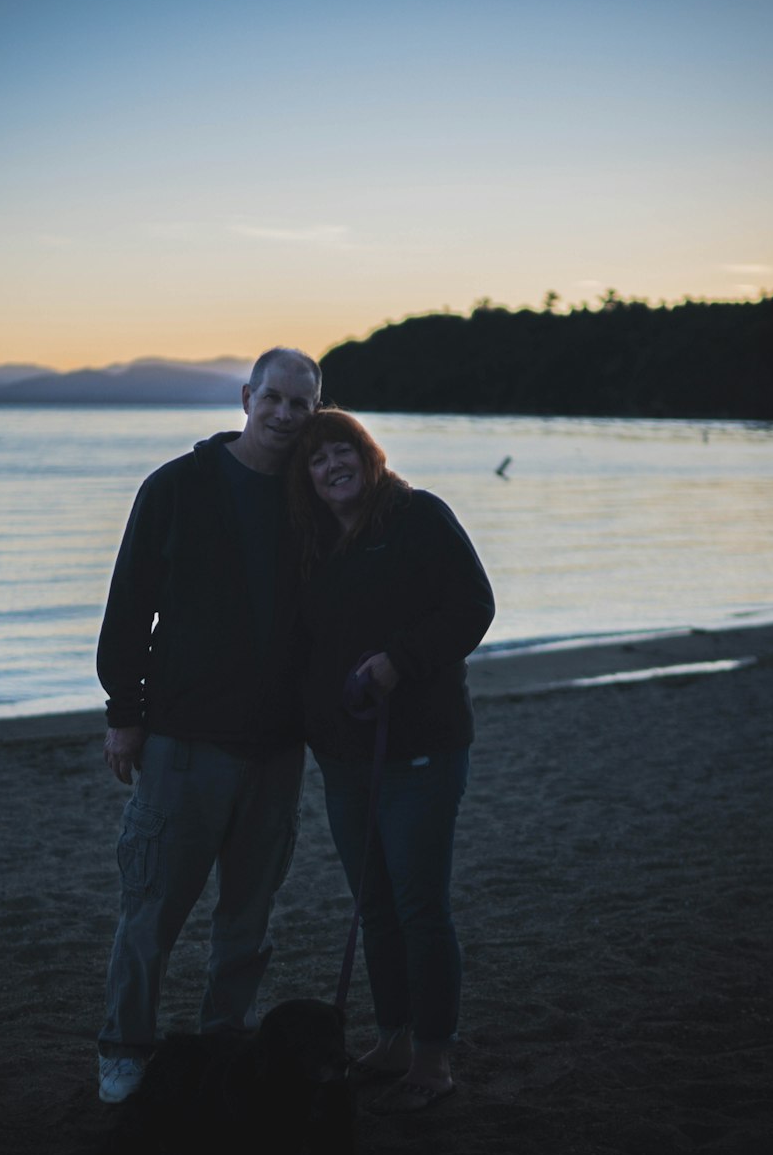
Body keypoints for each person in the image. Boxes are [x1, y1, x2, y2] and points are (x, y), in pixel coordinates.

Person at [95, 348, 322, 1103]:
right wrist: (124, 716)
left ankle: (225, 1042)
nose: (286, 414)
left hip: (277, 748)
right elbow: (129, 609)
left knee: (247, 920)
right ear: (246, 396)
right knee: (152, 909)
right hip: (183, 742)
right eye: (275, 399)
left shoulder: (312, 492)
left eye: (302, 403)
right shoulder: (179, 486)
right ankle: (125, 1049)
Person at [288, 409, 494, 1114]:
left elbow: (473, 606)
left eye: (343, 451)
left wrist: (399, 662)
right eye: (317, 460)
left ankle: (433, 1055)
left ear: (369, 455)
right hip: (343, 757)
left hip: (422, 751)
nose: (332, 466)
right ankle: (393, 1037)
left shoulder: (417, 516)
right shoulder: (315, 540)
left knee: (418, 906)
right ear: (306, 478)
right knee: (373, 906)